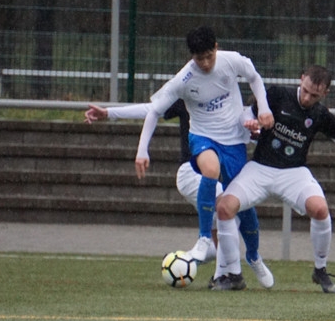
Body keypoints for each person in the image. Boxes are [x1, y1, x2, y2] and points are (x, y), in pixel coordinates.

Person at [87, 26, 274, 288]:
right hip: (200, 147)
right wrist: (138, 145)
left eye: (209, 56)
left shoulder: (231, 63)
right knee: (213, 176)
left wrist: (262, 111)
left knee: (240, 205)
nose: (206, 63)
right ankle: (207, 245)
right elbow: (152, 110)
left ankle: (250, 257)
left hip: (232, 144)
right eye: (200, 59)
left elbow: (254, 78)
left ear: (217, 48)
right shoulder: (184, 81)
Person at [213, 64, 335, 292]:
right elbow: (247, 115)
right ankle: (233, 275)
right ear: (301, 79)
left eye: (314, 95)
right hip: (260, 168)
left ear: (325, 94)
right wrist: (250, 124)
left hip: (294, 173)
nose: (307, 97)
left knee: (320, 210)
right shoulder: (277, 95)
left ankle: (320, 270)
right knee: (224, 208)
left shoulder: (321, 114)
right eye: (305, 90)